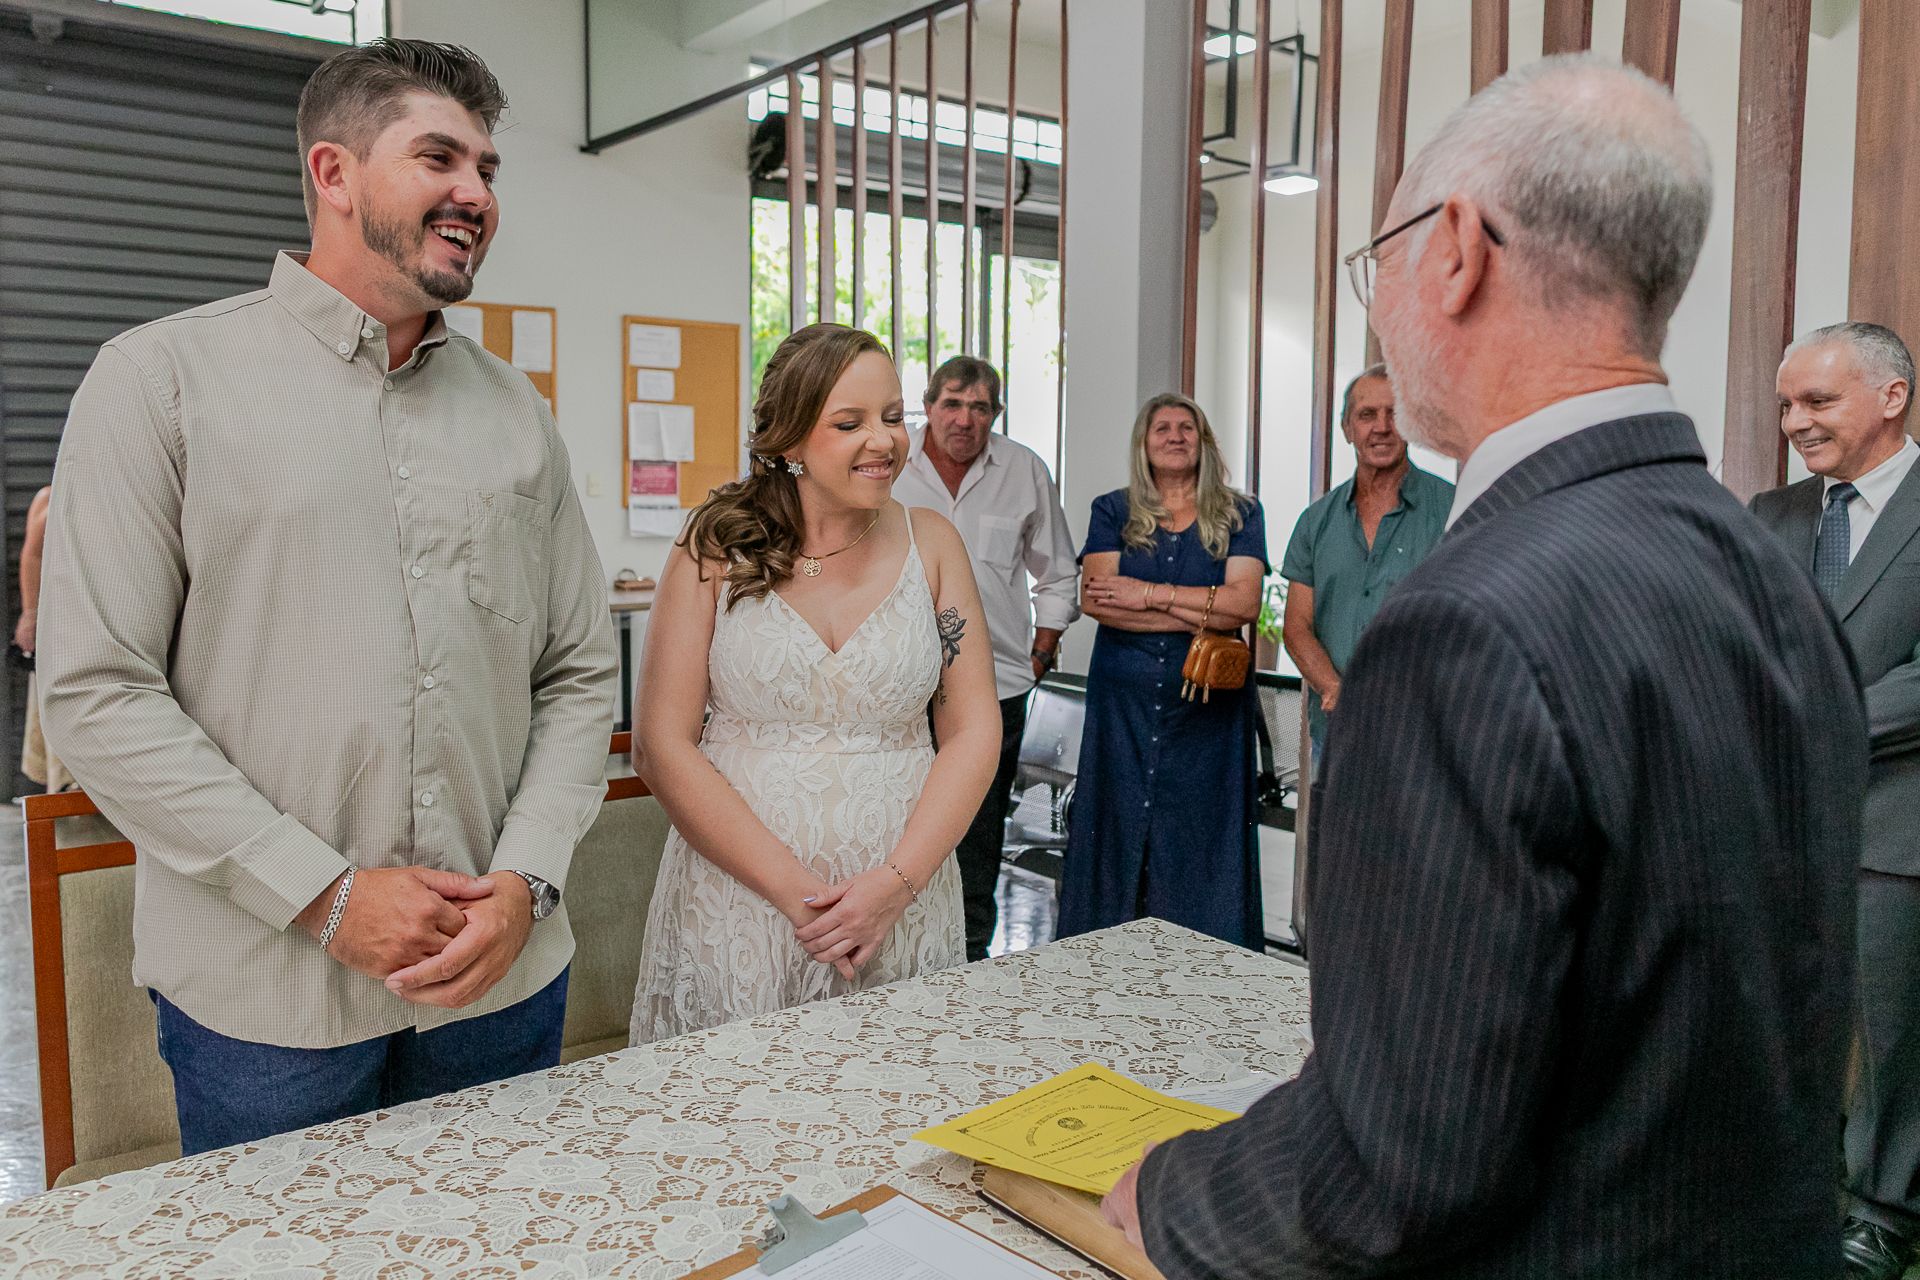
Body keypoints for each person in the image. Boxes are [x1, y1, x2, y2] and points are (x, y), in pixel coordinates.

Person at [1102, 55, 1864, 1277]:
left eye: (1383, 258)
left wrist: (1170, 1191)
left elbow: (1387, 1170)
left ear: (1454, 249)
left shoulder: (1467, 623)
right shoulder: (1769, 569)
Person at [36, 39, 618, 1155]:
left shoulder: (516, 412)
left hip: (501, 986)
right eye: (439, 156)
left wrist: (528, 878)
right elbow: (98, 693)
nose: (476, 193)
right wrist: (327, 894)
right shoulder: (156, 383)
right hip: (269, 1009)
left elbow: (579, 668)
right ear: (333, 174)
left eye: (489, 169)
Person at [628, 324, 999, 1044]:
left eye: (893, 417)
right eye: (850, 422)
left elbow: (974, 730)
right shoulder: (715, 543)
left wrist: (892, 889)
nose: (884, 441)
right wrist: (807, 905)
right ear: (790, 439)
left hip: (903, 900)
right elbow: (661, 744)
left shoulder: (934, 543)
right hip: (743, 905)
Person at [1751, 322, 1920, 1280]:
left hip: (1898, 820)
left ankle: (1887, 1213)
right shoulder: (1772, 513)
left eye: (1817, 402)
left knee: (1890, 1027)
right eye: (1786, 405)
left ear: (1890, 397)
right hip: (1777, 825)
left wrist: (1806, 719)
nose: (1795, 423)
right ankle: (1805, 1187)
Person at [890, 356, 1080, 960]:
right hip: (894, 682)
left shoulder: (1023, 470)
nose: (964, 419)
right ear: (928, 405)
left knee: (975, 835)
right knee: (892, 825)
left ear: (995, 413)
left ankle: (969, 962)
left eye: (979, 407)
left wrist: (1042, 651)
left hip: (994, 685)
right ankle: (894, 954)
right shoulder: (891, 465)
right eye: (952, 403)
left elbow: (1058, 571)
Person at [1061, 393, 1267, 949]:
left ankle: (1208, 961)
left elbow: (1245, 605)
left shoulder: (1241, 513)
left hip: (1210, 710)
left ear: (1203, 442)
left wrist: (1146, 593)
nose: (1175, 436)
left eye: (1187, 428)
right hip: (1122, 707)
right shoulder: (1112, 509)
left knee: (1203, 831)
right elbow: (1100, 601)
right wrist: (1203, 609)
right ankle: (1102, 957)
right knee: (1118, 823)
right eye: (1162, 428)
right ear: (1144, 443)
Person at [1280, 364, 1450, 766]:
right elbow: (1296, 626)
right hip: (1335, 736)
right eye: (1367, 415)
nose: (1382, 427)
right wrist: (1335, 689)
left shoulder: (1452, 510)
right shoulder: (1315, 522)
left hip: (1422, 736)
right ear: (1346, 428)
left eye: (1395, 414)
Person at [15, 485, 71, 794]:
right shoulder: (51, 497)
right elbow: (32, 554)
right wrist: (31, 615)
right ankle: (62, 787)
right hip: (58, 624)